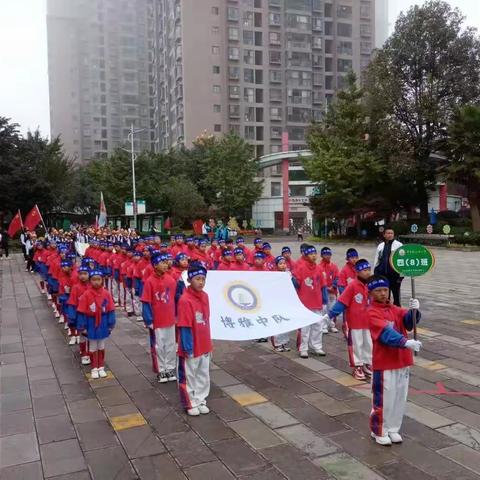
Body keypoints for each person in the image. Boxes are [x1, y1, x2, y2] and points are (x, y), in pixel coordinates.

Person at [367, 275, 421, 446]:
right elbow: (385, 334)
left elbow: (408, 321)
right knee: (384, 398)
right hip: (385, 363)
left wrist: (414, 311)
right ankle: (379, 430)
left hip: (402, 361)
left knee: (399, 398)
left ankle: (392, 428)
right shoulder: (371, 312)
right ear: (371, 293)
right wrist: (406, 342)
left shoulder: (395, 309)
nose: (383, 293)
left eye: (385, 289)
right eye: (378, 291)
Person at [323, 259, 373, 381]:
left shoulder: (370, 286)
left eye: (369, 270)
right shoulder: (352, 286)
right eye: (364, 270)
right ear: (357, 271)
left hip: (368, 322)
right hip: (355, 323)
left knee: (369, 344)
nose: (367, 273)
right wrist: (329, 315)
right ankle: (358, 366)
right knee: (356, 345)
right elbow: (341, 303)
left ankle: (367, 363)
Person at [177, 263, 212, 416]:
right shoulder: (185, 300)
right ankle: (190, 402)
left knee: (203, 374)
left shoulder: (205, 296)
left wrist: (210, 343)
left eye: (203, 279)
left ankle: (201, 399)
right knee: (189, 374)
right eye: (197, 279)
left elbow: (207, 320)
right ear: (190, 280)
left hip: (204, 343)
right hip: (191, 344)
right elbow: (184, 325)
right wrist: (187, 347)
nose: (201, 282)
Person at [141, 253, 177, 383]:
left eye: (166, 262)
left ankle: (170, 368)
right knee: (159, 346)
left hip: (170, 319)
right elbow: (146, 302)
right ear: (155, 265)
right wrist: (148, 319)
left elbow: (174, 299)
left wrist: (176, 315)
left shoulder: (171, 280)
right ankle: (161, 370)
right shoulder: (149, 282)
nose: (166, 264)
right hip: (157, 320)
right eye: (162, 262)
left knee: (171, 345)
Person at [77, 270, 116, 379]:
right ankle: (94, 367)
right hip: (91, 322)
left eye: (98, 279)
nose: (96, 282)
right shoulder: (86, 294)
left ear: (102, 280)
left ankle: (101, 366)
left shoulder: (106, 293)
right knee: (93, 345)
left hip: (103, 322)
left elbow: (111, 310)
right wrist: (82, 326)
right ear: (90, 281)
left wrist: (111, 323)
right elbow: (82, 311)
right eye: (94, 280)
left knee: (101, 345)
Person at [293, 245, 328, 358]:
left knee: (318, 325)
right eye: (311, 254)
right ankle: (303, 348)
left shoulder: (319, 269)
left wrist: (324, 299)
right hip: (305, 302)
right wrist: (291, 278)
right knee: (305, 327)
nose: (313, 255)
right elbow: (297, 283)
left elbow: (323, 285)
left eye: (315, 253)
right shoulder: (301, 268)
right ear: (305, 255)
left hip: (317, 302)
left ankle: (316, 346)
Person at [66, 265, 91, 365]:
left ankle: (90, 352)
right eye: (81, 274)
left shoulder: (92, 287)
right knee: (82, 336)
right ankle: (84, 354)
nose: (83, 276)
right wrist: (72, 318)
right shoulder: (76, 288)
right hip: (81, 316)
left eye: (85, 274)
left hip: (91, 316)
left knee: (91, 336)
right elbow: (72, 303)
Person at [373, 228, 403, 306]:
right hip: (383, 276)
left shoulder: (399, 245)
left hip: (395, 276)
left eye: (391, 233)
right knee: (385, 296)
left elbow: (402, 261)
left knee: (396, 296)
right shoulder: (380, 246)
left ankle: (397, 312)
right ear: (384, 235)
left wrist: (401, 276)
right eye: (388, 233)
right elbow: (377, 260)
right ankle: (386, 313)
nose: (390, 235)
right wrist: (376, 274)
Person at [319, 247, 339, 333]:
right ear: (321, 255)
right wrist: (326, 287)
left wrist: (334, 286)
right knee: (324, 309)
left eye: (329, 254)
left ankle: (331, 325)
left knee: (332, 308)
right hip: (324, 292)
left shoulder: (334, 266)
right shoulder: (319, 267)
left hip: (332, 291)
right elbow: (319, 280)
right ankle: (323, 326)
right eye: (325, 254)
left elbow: (338, 277)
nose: (327, 256)